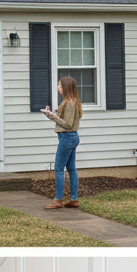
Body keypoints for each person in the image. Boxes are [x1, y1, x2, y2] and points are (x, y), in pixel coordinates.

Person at [41, 75, 83, 209]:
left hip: (67, 138)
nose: (58, 87)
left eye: (60, 85)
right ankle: (74, 200)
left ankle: (57, 200)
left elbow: (68, 124)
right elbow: (64, 121)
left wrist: (53, 117)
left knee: (59, 168)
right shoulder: (70, 102)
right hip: (71, 137)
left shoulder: (70, 103)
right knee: (71, 168)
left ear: (66, 87)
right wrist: (51, 114)